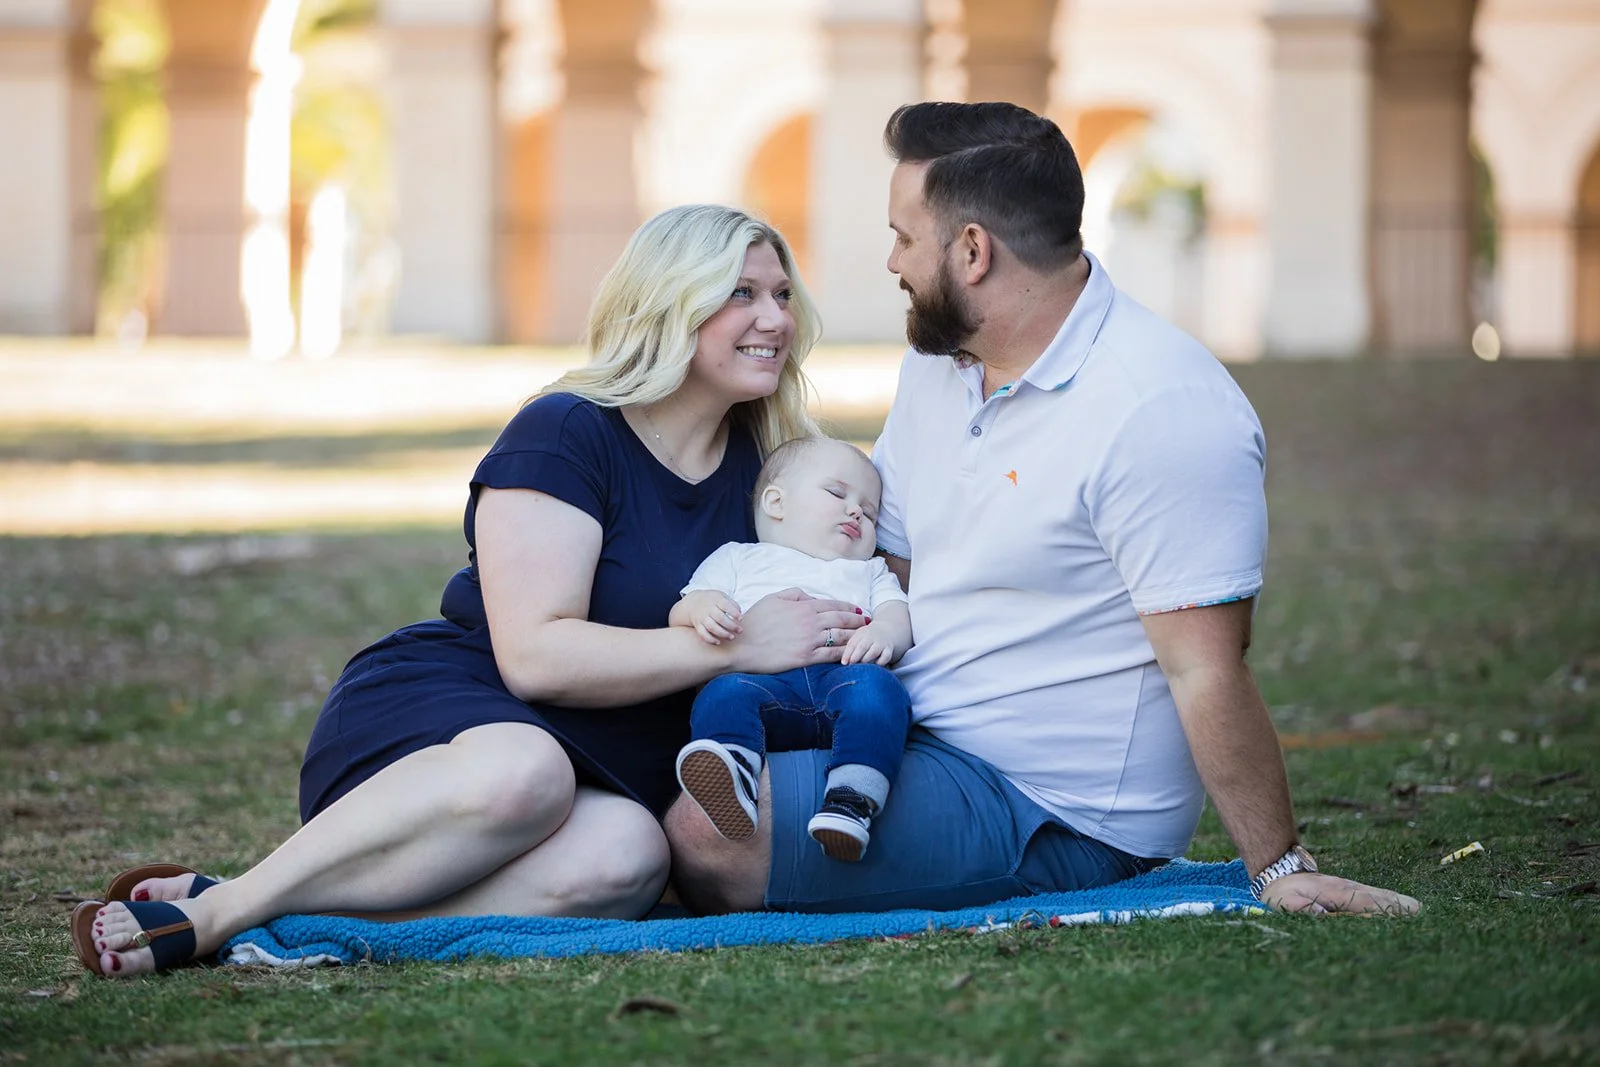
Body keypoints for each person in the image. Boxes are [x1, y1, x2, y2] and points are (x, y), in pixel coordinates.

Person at [70, 204, 871, 978]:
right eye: (741, 293)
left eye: (780, 294)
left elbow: (863, 581)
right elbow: (536, 655)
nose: (774, 317)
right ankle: (226, 909)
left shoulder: (777, 472)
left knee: (630, 858)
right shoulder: (569, 431)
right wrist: (731, 645)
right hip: (461, 722)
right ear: (669, 303)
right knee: (526, 771)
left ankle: (269, 919)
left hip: (611, 770)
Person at [664, 102, 1422, 918]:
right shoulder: (943, 365)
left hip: (1054, 802)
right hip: (919, 725)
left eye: (903, 237)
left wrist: (1277, 865)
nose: (891, 261)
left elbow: (1204, 664)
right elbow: (895, 561)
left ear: (973, 251)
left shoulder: (1161, 409)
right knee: (682, 760)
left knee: (710, 838)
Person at [671, 435, 913, 862]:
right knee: (722, 694)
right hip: (763, 685)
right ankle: (734, 774)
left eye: (870, 512)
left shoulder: (870, 571)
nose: (856, 510)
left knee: (882, 693)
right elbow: (685, 607)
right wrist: (703, 609)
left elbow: (898, 617)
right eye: (837, 493)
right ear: (776, 503)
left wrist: (885, 635)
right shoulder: (738, 558)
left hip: (842, 678)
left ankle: (851, 800)